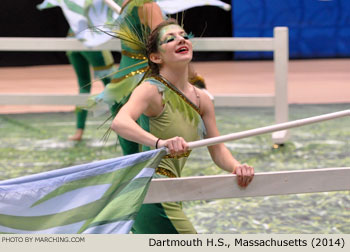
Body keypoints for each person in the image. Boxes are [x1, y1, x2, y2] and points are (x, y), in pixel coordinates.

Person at [111, 19, 254, 234]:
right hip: (149, 189)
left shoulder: (202, 99)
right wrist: (159, 143)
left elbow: (217, 149)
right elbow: (119, 122)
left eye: (184, 36)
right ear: (156, 57)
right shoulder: (150, 90)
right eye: (170, 39)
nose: (180, 39)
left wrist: (237, 167)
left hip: (171, 191)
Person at [100, 0, 212, 154]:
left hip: (121, 83)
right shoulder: (147, 5)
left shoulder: (128, 4)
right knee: (153, 156)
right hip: (142, 81)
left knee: (131, 158)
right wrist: (192, 76)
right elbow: (165, 44)